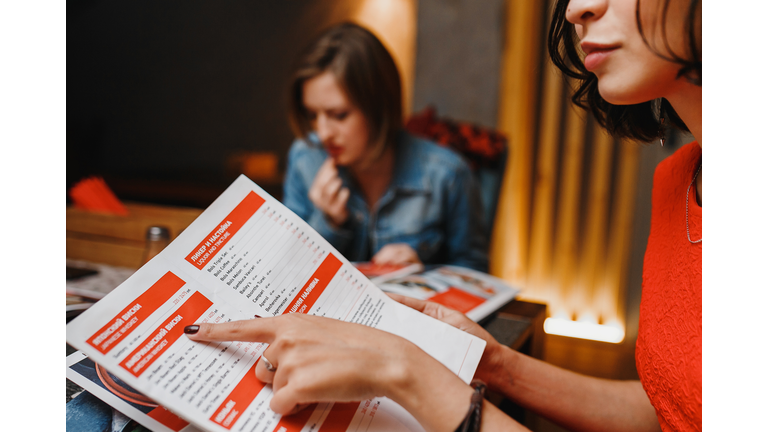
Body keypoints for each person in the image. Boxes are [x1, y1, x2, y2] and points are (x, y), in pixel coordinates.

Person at [185, 0, 702, 430]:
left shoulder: (443, 171)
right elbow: (669, 408)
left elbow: (472, 267)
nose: (574, 9)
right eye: (314, 116)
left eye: (340, 114)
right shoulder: (675, 180)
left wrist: (403, 368)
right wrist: (494, 362)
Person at [281, 23, 489, 272]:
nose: (323, 133)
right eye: (312, 114)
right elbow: (288, 272)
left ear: (379, 108)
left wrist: (422, 273)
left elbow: (474, 276)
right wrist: (327, 224)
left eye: (338, 115)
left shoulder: (448, 174)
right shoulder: (306, 157)